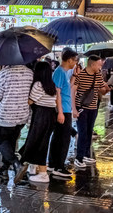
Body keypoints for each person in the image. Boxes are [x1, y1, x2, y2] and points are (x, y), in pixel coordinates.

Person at [21, 61, 62, 183]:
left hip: (41, 115)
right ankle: (34, 167)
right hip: (50, 115)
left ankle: (43, 173)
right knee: (40, 141)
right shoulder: (51, 85)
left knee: (39, 143)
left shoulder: (38, 85)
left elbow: (30, 101)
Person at [0, 62, 34, 177]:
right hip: (22, 115)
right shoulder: (30, 73)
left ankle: (17, 164)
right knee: (10, 141)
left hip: (6, 115)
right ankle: (4, 168)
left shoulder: (4, 73)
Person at [73, 55, 108, 169]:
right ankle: (79, 158)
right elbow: (73, 91)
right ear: (92, 64)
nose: (100, 66)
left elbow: (103, 89)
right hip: (82, 107)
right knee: (82, 133)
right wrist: (74, 109)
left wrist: (108, 87)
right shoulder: (81, 75)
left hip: (93, 108)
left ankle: (86, 154)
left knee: (88, 132)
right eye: (99, 64)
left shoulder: (98, 75)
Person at [47, 49, 78, 178]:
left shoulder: (64, 73)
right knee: (63, 139)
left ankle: (54, 164)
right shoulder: (59, 72)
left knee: (58, 137)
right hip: (63, 110)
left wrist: (75, 76)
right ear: (69, 60)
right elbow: (57, 93)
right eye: (75, 60)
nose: (76, 63)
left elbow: (67, 88)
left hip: (65, 109)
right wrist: (60, 112)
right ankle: (59, 166)